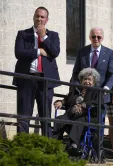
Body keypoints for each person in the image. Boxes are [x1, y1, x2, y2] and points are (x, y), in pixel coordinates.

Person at [13, 6, 60, 136]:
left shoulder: (53, 35)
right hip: (26, 79)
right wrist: (39, 51)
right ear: (34, 17)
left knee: (45, 116)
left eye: (42, 17)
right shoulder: (23, 34)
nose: (39, 19)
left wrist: (44, 36)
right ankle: (22, 145)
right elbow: (19, 52)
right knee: (24, 115)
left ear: (47, 19)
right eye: (37, 16)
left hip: (45, 81)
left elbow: (55, 52)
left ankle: (47, 148)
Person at [53, 68, 103, 149]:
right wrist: (61, 102)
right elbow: (67, 98)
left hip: (89, 116)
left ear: (94, 82)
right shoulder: (76, 90)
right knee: (59, 119)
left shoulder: (97, 91)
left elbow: (97, 103)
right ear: (81, 80)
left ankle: (73, 145)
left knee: (79, 120)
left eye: (89, 80)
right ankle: (55, 143)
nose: (87, 81)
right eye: (85, 79)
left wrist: (83, 105)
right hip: (72, 114)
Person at [71, 27, 113, 103]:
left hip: (101, 95)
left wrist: (106, 88)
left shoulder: (109, 53)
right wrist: (77, 86)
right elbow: (76, 72)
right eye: (93, 36)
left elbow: (112, 74)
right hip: (84, 94)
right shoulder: (82, 52)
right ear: (89, 37)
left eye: (99, 37)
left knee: (99, 115)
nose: (96, 39)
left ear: (102, 38)